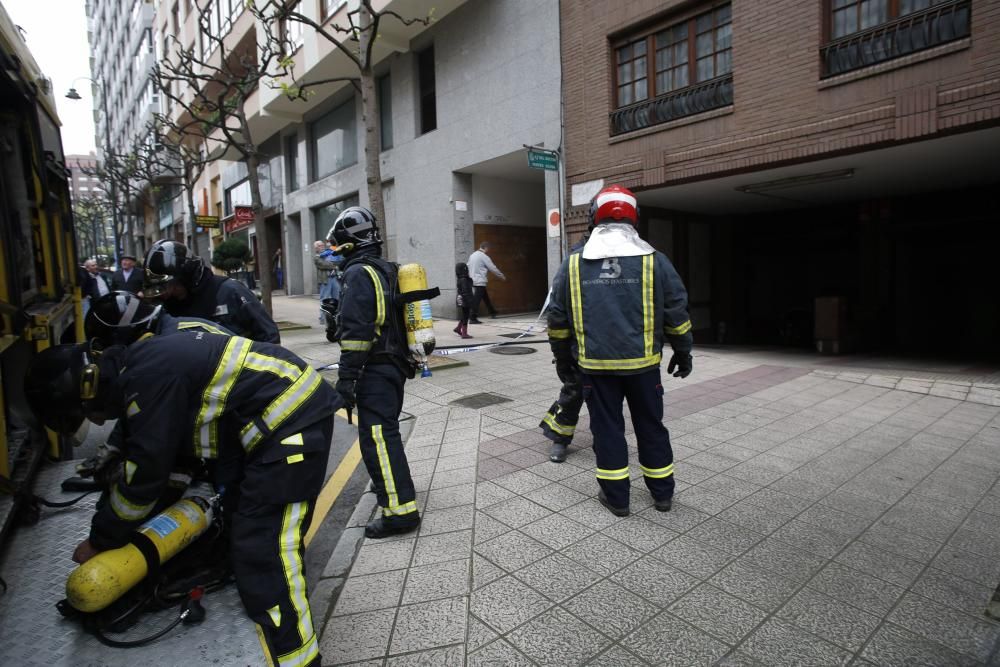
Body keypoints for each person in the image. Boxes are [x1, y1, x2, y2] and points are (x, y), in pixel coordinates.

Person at [24, 333, 339, 667]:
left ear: (88, 391)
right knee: (239, 528)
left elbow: (144, 477)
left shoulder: (145, 382)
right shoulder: (138, 371)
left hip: (290, 421)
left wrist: (101, 541)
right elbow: (172, 461)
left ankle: (298, 659)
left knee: (267, 547)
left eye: (91, 414)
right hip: (263, 425)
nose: (100, 422)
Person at [546, 184, 693, 517]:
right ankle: (662, 495)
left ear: (593, 217)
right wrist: (683, 353)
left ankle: (617, 499)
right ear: (635, 217)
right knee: (651, 426)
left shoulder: (573, 263)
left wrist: (564, 361)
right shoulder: (655, 260)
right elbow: (677, 313)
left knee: (607, 430)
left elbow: (557, 318)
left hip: (595, 369)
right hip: (643, 367)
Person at [329, 206, 421, 538]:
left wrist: (347, 379)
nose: (336, 253)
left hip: (375, 368)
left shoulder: (357, 274)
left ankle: (400, 513)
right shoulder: (387, 269)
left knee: (379, 437)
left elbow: (357, 334)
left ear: (349, 243)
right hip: (394, 365)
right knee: (386, 433)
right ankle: (390, 486)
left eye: (338, 246)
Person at [143, 240, 280, 344]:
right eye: (160, 288)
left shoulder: (231, 291)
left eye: (170, 286)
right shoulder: (165, 307)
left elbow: (268, 335)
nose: (165, 293)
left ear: (187, 277)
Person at [540, 232, 591, 463]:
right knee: (573, 392)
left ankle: (605, 440)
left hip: (607, 347)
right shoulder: (575, 261)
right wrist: (561, 354)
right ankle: (559, 438)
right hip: (577, 346)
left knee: (605, 398)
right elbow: (557, 312)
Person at [466, 241, 506, 323]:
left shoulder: (472, 255)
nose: (488, 250)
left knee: (485, 297)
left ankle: (492, 311)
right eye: (488, 249)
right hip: (480, 281)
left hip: (473, 280)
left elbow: (468, 266)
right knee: (476, 300)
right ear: (486, 248)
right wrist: (501, 276)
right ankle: (472, 318)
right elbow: (492, 268)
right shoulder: (484, 256)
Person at [313, 240, 342, 324]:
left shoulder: (329, 253)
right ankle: (322, 318)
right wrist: (334, 265)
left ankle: (336, 316)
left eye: (322, 245)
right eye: (320, 245)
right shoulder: (317, 257)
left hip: (334, 278)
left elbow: (338, 261)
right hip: (325, 280)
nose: (322, 246)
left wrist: (334, 264)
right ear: (316, 248)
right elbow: (323, 265)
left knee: (337, 297)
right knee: (324, 298)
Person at [453, 262, 474, 339]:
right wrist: (470, 301)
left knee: (465, 315)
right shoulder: (464, 279)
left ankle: (458, 328)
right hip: (465, 299)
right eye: (466, 269)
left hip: (461, 298)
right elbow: (466, 291)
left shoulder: (460, 278)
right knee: (466, 316)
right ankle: (464, 333)